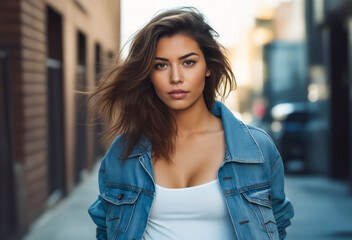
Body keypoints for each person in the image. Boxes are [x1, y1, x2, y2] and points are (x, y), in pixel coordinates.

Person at [88, 7, 294, 240]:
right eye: (161, 65)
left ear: (207, 67)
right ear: (148, 74)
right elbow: (106, 230)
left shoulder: (256, 149)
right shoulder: (123, 153)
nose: (175, 77)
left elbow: (278, 223)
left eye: (188, 62)